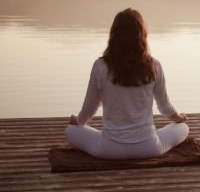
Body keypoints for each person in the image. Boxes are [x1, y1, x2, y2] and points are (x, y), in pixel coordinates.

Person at [65, 8, 189, 160]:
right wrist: (180, 118)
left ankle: (108, 139)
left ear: (114, 35)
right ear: (142, 35)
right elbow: (165, 107)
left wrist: (77, 121)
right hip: (149, 148)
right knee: (183, 128)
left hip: (109, 149)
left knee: (70, 131)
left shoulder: (100, 66)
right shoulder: (154, 65)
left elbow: (90, 107)